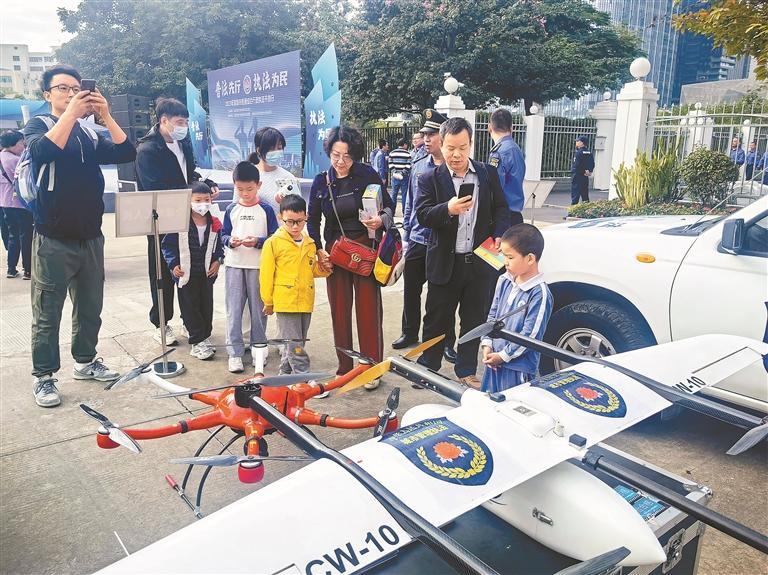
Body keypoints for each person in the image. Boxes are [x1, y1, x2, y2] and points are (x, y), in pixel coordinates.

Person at [24, 64, 136, 408]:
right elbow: (41, 152)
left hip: (90, 235)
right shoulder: (39, 125)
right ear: (47, 94)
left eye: (76, 89)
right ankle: (44, 376)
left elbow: (125, 152)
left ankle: (85, 361)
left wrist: (106, 115)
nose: (72, 94)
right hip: (53, 237)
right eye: (63, 88)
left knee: (90, 307)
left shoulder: (89, 133)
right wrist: (71, 114)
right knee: (47, 312)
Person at [415, 117, 510, 388]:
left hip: (480, 262)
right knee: (436, 319)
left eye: (462, 147)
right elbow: (422, 215)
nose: (456, 155)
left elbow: (502, 208)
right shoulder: (430, 178)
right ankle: (428, 367)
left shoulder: (487, 174)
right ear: (441, 145)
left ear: (471, 144)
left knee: (474, 319)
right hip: (445, 262)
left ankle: (466, 370)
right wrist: (448, 208)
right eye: (450, 148)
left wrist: (500, 234)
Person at [308, 126, 395, 383]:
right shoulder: (321, 181)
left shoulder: (367, 174)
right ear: (329, 153)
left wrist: (380, 220)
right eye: (336, 155)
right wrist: (318, 248)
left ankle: (371, 367)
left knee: (368, 309)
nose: (341, 161)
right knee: (339, 310)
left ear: (354, 154)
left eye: (346, 156)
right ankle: (344, 367)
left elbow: (388, 205)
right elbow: (312, 220)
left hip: (365, 248)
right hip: (336, 251)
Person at [135, 97, 219, 346]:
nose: (184, 127)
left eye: (186, 122)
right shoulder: (147, 150)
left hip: (187, 216)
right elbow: (155, 187)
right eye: (179, 122)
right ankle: (161, 322)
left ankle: (189, 320)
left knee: (188, 269)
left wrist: (206, 185)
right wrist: (192, 193)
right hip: (161, 219)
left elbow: (189, 174)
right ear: (164, 121)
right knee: (162, 272)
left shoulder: (183, 144)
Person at [393, 109, 457, 365]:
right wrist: (407, 234)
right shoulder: (419, 165)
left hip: (444, 242)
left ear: (444, 136)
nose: (426, 139)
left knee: (443, 296)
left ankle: (447, 341)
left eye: (431, 134)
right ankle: (409, 332)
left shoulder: (456, 167)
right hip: (419, 239)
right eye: (424, 134)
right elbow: (410, 202)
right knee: (411, 290)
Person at [260, 194, 331, 384]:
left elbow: (311, 270)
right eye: (289, 222)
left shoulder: (309, 243)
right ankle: (303, 377)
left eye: (299, 221)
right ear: (280, 217)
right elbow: (266, 274)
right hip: (285, 301)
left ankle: (284, 376)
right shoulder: (273, 243)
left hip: (305, 300)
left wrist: (324, 268)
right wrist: (268, 301)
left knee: (295, 342)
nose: (294, 226)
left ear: (306, 217)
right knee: (295, 344)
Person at [480, 224, 553, 392]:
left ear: (530, 259)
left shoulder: (539, 293)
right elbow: (492, 315)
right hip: (493, 359)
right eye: (503, 256)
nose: (505, 262)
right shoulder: (504, 280)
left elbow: (530, 335)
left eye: (510, 257)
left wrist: (504, 356)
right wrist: (487, 343)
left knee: (513, 404)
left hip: (518, 368)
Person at [221, 161, 278, 374]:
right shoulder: (231, 209)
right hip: (234, 265)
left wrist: (258, 241)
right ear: (234, 186)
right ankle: (235, 353)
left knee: (259, 310)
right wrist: (230, 241)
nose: (245, 193)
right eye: (240, 189)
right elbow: (223, 234)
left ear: (258, 185)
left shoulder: (266, 210)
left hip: (259, 267)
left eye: (249, 189)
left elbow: (274, 237)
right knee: (234, 310)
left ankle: (259, 350)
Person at [162, 182, 223, 361]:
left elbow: (219, 247)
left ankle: (204, 335)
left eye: (206, 199)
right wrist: (174, 264)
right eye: (198, 200)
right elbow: (168, 246)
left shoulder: (215, 222)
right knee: (190, 307)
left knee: (206, 306)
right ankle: (197, 342)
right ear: (188, 201)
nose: (203, 204)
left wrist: (218, 261)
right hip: (186, 274)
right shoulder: (179, 222)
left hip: (206, 274)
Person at [0, 130, 33, 279]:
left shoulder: (2, 157)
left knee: (13, 235)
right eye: (21, 143)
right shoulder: (16, 160)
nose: (23, 146)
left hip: (5, 203)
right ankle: (28, 270)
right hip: (20, 204)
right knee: (26, 236)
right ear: (12, 144)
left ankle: (11, 269)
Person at [246, 126, 300, 213]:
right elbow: (236, 207)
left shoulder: (288, 177)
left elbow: (298, 211)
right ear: (259, 150)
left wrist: (286, 204)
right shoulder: (247, 175)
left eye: (279, 148)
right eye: (271, 149)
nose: (276, 152)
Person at [488, 109, 525, 226]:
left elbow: (494, 187)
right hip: (514, 214)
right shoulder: (515, 148)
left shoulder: (499, 152)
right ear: (512, 127)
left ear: (489, 127)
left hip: (503, 216)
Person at [387, 136, 412, 208]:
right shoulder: (408, 154)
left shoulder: (392, 153)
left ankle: (392, 210)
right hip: (404, 177)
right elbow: (408, 165)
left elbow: (390, 164)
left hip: (394, 177)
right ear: (404, 144)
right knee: (404, 195)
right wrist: (401, 173)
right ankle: (404, 211)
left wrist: (395, 172)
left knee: (394, 194)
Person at [570, 136, 594, 205]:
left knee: (575, 193)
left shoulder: (579, 153)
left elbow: (577, 164)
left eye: (578, 141)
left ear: (582, 143)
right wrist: (589, 171)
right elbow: (592, 163)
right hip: (585, 175)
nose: (576, 142)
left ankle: (573, 209)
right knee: (584, 193)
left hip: (578, 175)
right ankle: (586, 209)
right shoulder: (589, 152)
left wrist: (582, 171)